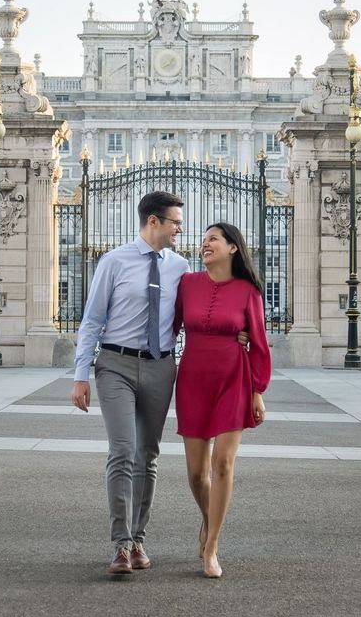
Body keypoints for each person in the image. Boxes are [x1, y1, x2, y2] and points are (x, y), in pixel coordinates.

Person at [71, 191, 189, 576]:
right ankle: (120, 544)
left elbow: (193, 317)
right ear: (153, 221)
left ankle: (139, 538)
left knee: (147, 454)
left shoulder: (180, 267)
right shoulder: (114, 261)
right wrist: (80, 375)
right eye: (175, 222)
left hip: (160, 367)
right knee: (122, 450)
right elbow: (92, 320)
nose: (180, 229)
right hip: (116, 365)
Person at [173, 222, 272, 579]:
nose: (205, 244)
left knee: (224, 463)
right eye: (203, 240)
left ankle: (212, 545)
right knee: (197, 473)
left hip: (233, 380)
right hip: (193, 380)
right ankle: (207, 517)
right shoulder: (187, 284)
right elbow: (168, 327)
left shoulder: (248, 291)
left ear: (232, 247)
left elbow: (258, 343)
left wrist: (257, 391)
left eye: (212, 239)